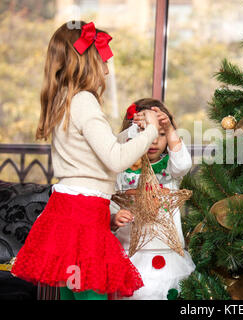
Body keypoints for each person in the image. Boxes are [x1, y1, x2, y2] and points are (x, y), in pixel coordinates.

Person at [10, 21, 161, 300]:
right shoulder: (84, 100)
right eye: (103, 61)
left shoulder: (65, 98)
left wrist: (132, 132)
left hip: (68, 209)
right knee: (90, 295)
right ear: (86, 62)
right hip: (84, 214)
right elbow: (115, 160)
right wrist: (151, 129)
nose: (106, 70)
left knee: (72, 292)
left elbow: (96, 151)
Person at [110, 98, 195, 300]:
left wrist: (170, 128)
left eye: (161, 134)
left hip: (168, 255)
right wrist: (113, 218)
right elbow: (110, 202)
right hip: (130, 255)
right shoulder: (121, 169)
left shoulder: (171, 167)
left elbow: (183, 164)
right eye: (146, 133)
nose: (154, 140)